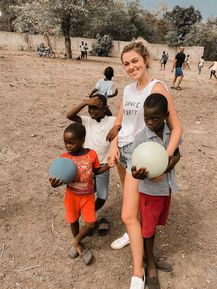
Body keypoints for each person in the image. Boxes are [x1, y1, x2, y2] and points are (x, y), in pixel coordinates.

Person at [107, 40, 182, 289]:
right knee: (134, 207)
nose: (130, 67)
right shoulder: (128, 90)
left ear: (146, 60)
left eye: (135, 61)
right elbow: (120, 121)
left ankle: (138, 273)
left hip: (142, 157)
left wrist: (162, 161)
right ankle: (133, 235)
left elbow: (176, 128)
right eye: (126, 63)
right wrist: (113, 145)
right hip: (123, 152)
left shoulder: (157, 87)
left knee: (128, 214)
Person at [131, 93, 181, 289]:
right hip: (149, 192)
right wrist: (138, 174)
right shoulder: (140, 139)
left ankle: (149, 254)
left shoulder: (172, 132)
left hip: (165, 188)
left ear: (165, 115)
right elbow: (134, 170)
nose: (150, 122)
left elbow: (177, 154)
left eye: (155, 118)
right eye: (146, 117)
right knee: (148, 230)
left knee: (154, 226)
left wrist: (165, 168)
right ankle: (149, 263)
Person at [49, 123, 113, 264]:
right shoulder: (64, 158)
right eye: (66, 142)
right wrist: (54, 185)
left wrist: (108, 165)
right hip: (71, 196)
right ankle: (79, 245)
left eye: (72, 143)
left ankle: (75, 241)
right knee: (73, 221)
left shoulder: (91, 154)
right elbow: (61, 178)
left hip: (87, 196)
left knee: (90, 223)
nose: (68, 146)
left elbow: (96, 171)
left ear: (82, 140)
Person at [66, 95, 116, 235]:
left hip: (103, 166)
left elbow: (122, 123)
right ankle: (88, 218)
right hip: (86, 166)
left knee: (102, 197)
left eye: (95, 107)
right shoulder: (87, 121)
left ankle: (89, 213)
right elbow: (70, 115)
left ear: (105, 109)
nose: (91, 111)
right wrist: (86, 102)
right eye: (89, 108)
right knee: (85, 193)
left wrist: (116, 128)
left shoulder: (111, 121)